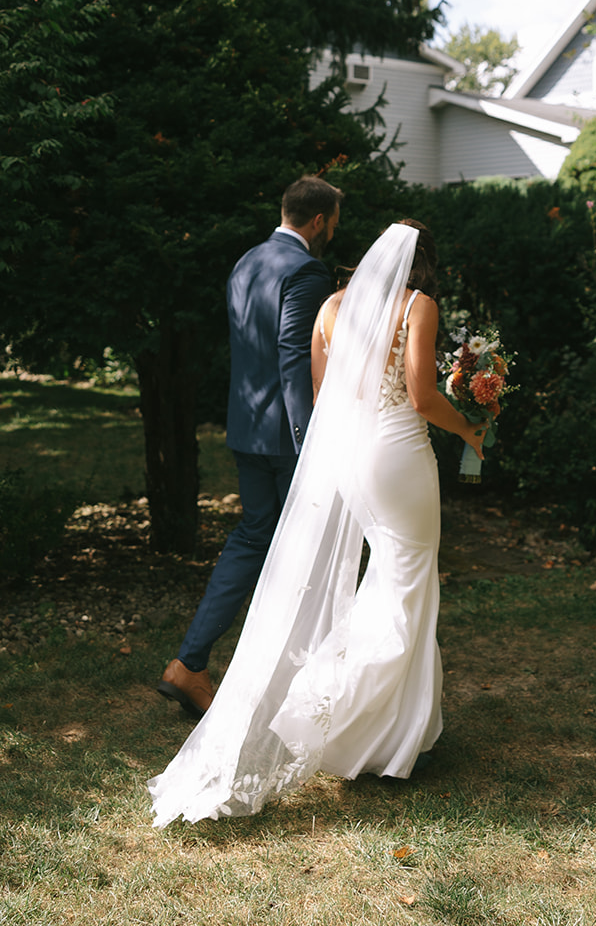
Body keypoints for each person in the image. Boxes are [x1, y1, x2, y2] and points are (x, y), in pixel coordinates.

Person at [148, 218, 488, 825]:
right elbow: (418, 394)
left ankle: (380, 732)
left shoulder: (332, 305)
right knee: (408, 583)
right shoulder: (419, 305)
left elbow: (323, 391)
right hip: (399, 455)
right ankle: (338, 711)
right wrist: (469, 426)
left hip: (350, 459)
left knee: (388, 580)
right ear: (423, 262)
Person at [156, 176, 341, 721]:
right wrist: (310, 442)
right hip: (287, 438)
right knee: (310, 549)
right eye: (333, 223)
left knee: (254, 538)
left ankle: (189, 663)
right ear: (318, 222)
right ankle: (305, 684)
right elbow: (291, 357)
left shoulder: (246, 262)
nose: (333, 231)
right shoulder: (307, 270)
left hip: (248, 429)